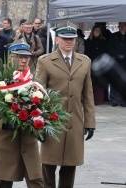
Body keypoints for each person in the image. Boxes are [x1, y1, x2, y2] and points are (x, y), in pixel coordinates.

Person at [36, 24, 96, 188]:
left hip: (74, 120)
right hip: (52, 121)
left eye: (72, 39)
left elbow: (88, 95)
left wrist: (90, 122)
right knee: (48, 164)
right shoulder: (45, 62)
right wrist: (38, 123)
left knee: (70, 165)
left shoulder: (84, 62)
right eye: (65, 39)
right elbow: (38, 95)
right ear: (57, 40)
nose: (69, 42)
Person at [0, 42, 43, 188]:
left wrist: (41, 119)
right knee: (4, 180)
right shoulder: (0, 79)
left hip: (28, 138)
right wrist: (6, 120)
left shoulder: (33, 80)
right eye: (19, 57)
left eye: (26, 57)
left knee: (36, 179)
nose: (23, 60)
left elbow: (42, 103)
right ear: (10, 58)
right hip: (8, 137)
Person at [85, 25, 107, 105]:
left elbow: (105, 53)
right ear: (92, 31)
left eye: (99, 31)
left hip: (100, 64)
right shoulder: (88, 41)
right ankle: (90, 99)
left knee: (99, 83)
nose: (97, 32)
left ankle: (98, 100)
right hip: (91, 63)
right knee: (91, 82)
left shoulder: (103, 41)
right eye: (96, 30)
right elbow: (86, 53)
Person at [108, 22, 126, 107]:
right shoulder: (113, 36)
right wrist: (117, 55)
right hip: (115, 61)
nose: (122, 27)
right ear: (118, 27)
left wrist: (124, 56)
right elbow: (110, 48)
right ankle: (114, 100)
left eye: (124, 26)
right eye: (120, 26)